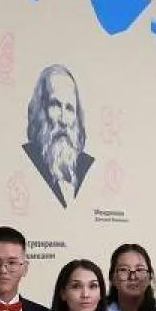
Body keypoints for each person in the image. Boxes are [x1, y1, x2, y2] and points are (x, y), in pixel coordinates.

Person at [23, 64, 93, 208]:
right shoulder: (26, 160)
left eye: (69, 108)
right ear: (40, 110)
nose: (63, 120)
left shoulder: (86, 167)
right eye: (55, 105)